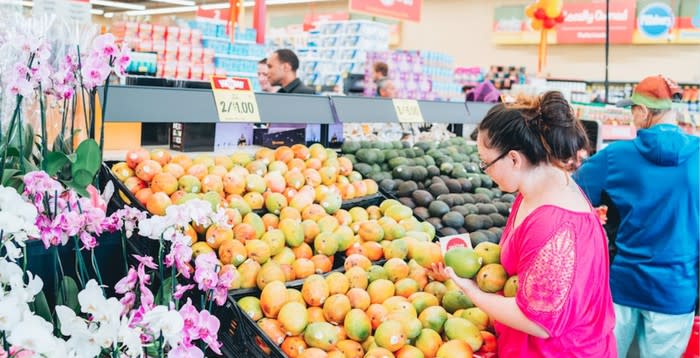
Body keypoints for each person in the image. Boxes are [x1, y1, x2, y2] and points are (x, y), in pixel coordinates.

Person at [432, 91, 617, 357]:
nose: (485, 170)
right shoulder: (537, 190)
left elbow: (539, 322)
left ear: (514, 159)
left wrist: (471, 290)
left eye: (486, 163)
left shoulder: (552, 223)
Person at [574, 75, 699, 358]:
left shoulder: (615, 157)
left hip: (624, 285)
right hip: (676, 287)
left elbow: (570, 193)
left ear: (642, 112)